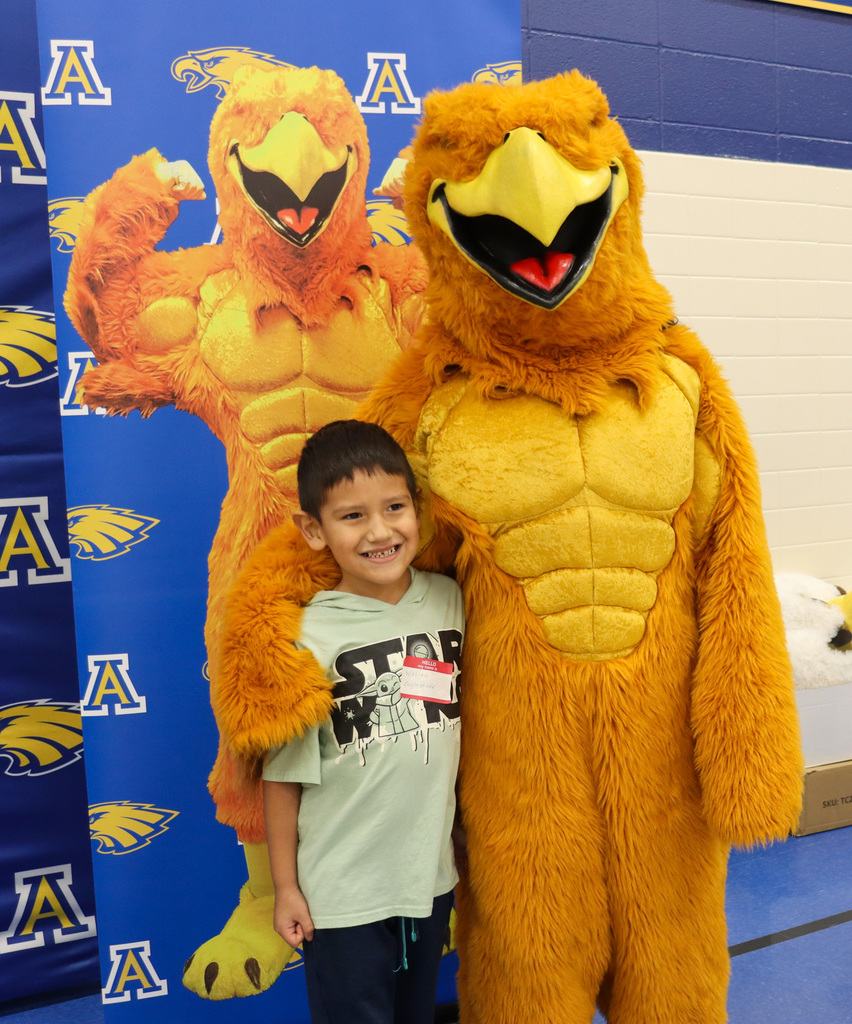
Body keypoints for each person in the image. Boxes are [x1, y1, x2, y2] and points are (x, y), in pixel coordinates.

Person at [262, 419, 464, 1024]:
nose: (380, 531)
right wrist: (286, 888)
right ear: (313, 531)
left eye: (394, 507)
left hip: (429, 884)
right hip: (341, 898)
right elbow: (283, 777)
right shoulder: (305, 636)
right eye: (352, 516)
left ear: (418, 510)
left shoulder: (452, 600)